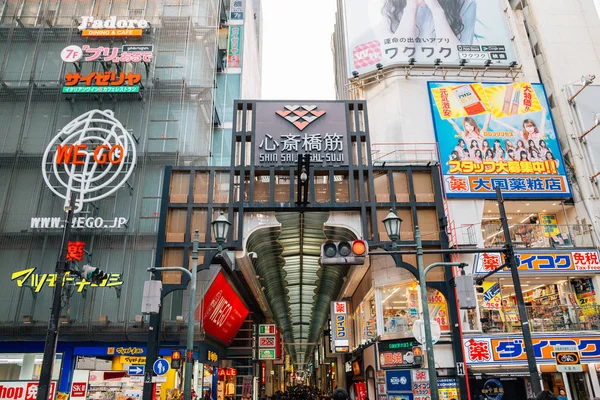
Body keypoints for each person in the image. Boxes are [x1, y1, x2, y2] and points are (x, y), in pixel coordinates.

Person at [374, 0, 478, 50]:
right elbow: (397, 56)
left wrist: (436, 9)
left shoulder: (466, 3)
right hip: (405, 83)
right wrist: (411, 7)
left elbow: (460, 59)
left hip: (447, 83)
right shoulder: (388, 4)